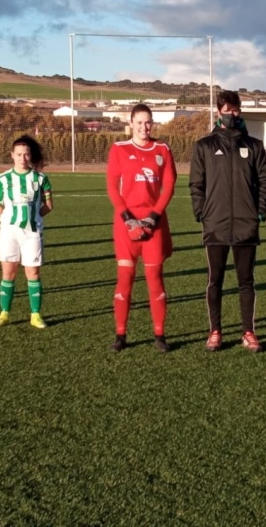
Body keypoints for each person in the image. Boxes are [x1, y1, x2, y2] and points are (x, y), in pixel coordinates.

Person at [189, 90, 266, 352]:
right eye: (227, 110)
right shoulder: (204, 146)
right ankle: (215, 331)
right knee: (215, 280)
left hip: (246, 224)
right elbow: (196, 184)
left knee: (246, 281)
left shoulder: (254, 146)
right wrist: (201, 213)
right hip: (215, 224)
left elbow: (265, 182)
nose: (232, 115)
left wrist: (259, 212)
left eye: (236, 110)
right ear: (218, 112)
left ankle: (248, 332)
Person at [106, 104, 176, 352]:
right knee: (125, 277)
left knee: (154, 278)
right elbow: (113, 187)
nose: (144, 127)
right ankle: (121, 335)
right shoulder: (119, 149)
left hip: (153, 225)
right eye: (139, 123)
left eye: (148, 122)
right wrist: (128, 218)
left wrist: (153, 217)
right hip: (126, 225)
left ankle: (159, 336)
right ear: (131, 123)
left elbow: (169, 185)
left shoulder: (162, 149)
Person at [0, 135, 53, 329]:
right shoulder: (2, 179)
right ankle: (4, 314)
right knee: (8, 273)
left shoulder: (41, 178)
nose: (22, 158)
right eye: (19, 154)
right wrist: (10, 218)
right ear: (12, 155)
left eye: (26, 154)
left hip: (32, 232)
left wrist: (35, 218)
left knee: (32, 272)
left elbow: (48, 205)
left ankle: (35, 315)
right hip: (9, 232)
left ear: (30, 156)